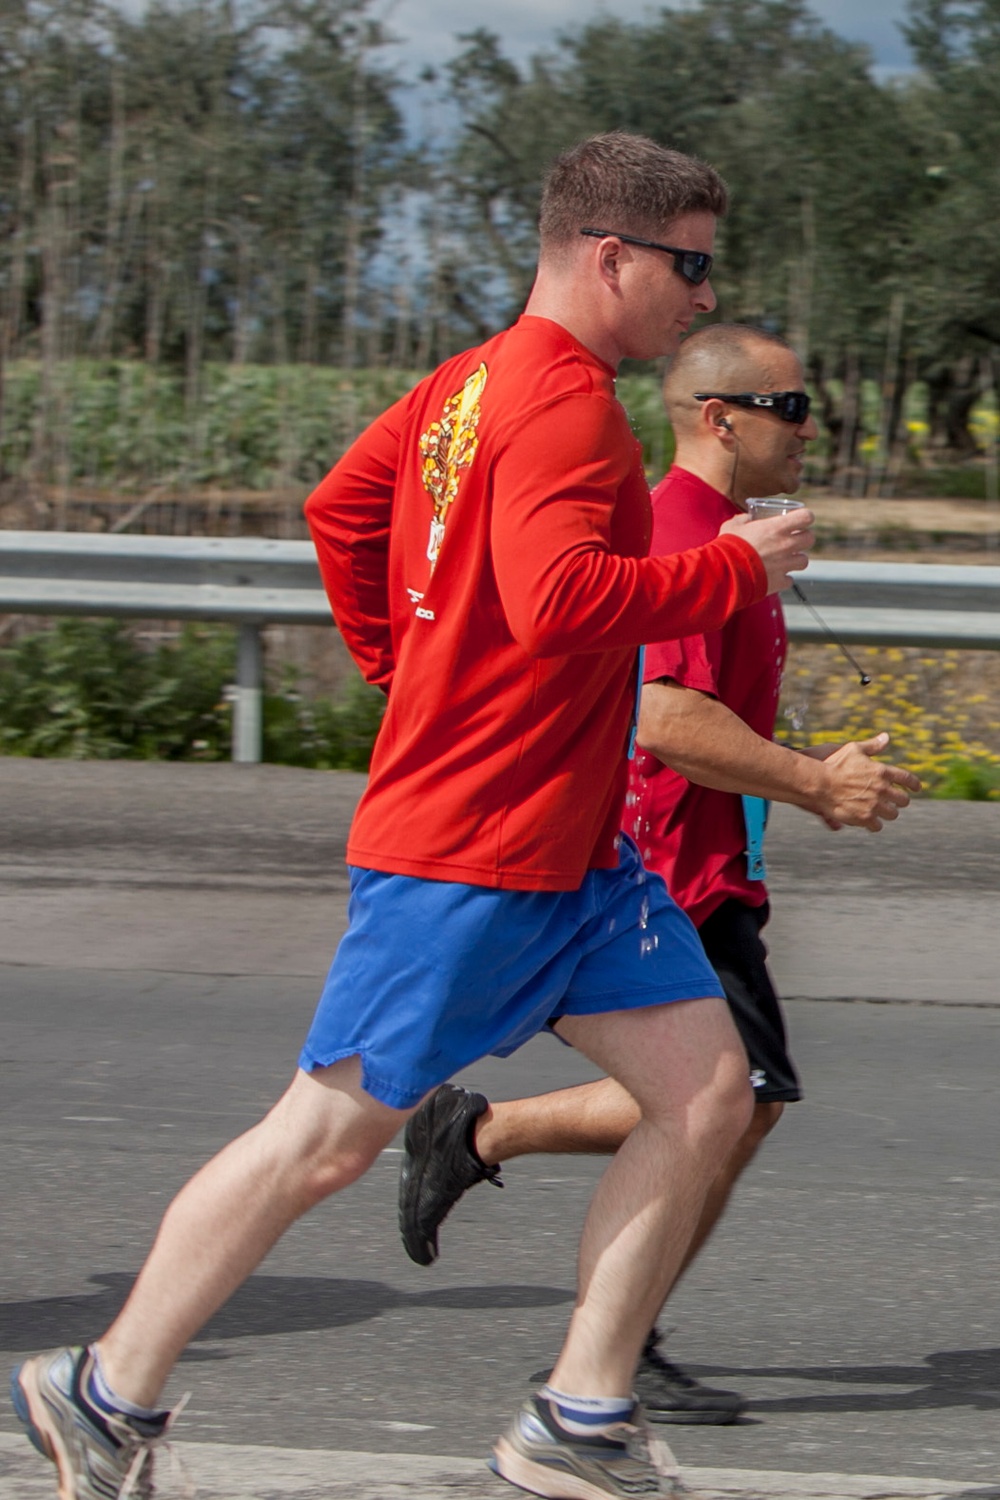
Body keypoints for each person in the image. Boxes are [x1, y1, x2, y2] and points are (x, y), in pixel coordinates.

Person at [11, 137, 815, 1500]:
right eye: (687, 265)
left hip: (572, 844)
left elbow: (345, 507)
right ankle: (102, 1391)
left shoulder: (464, 386)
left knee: (711, 1094)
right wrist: (729, 568)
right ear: (609, 255)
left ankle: (580, 1417)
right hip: (478, 844)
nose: (701, 296)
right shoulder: (561, 405)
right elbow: (563, 598)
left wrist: (410, 663)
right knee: (323, 1138)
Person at [397, 322, 921, 1427]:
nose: (807, 426)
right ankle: (600, 1350)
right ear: (717, 416)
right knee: (730, 1102)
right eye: (788, 405)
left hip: (710, 865)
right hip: (665, 869)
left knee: (737, 1104)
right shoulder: (677, 531)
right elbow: (667, 716)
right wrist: (814, 784)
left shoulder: (731, 535)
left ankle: (500, 1173)